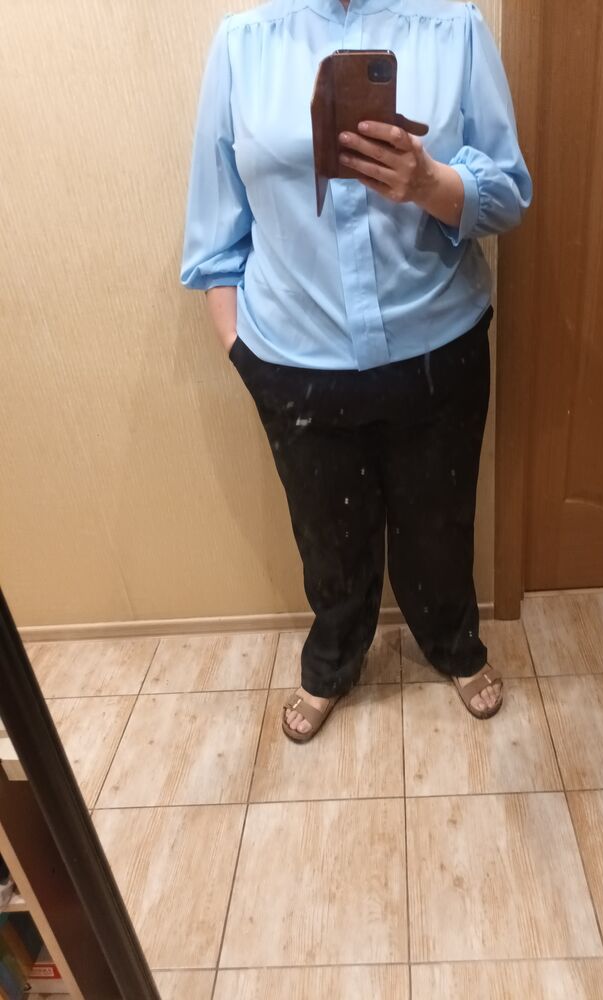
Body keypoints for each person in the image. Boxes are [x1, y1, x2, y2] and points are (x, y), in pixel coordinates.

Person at [180, 0, 531, 742]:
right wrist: (241, 352)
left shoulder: (454, 29)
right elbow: (216, 233)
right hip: (293, 360)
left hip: (438, 348)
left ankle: (452, 643)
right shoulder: (243, 45)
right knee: (326, 540)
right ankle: (334, 658)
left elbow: (508, 194)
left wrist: (428, 181)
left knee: (440, 527)